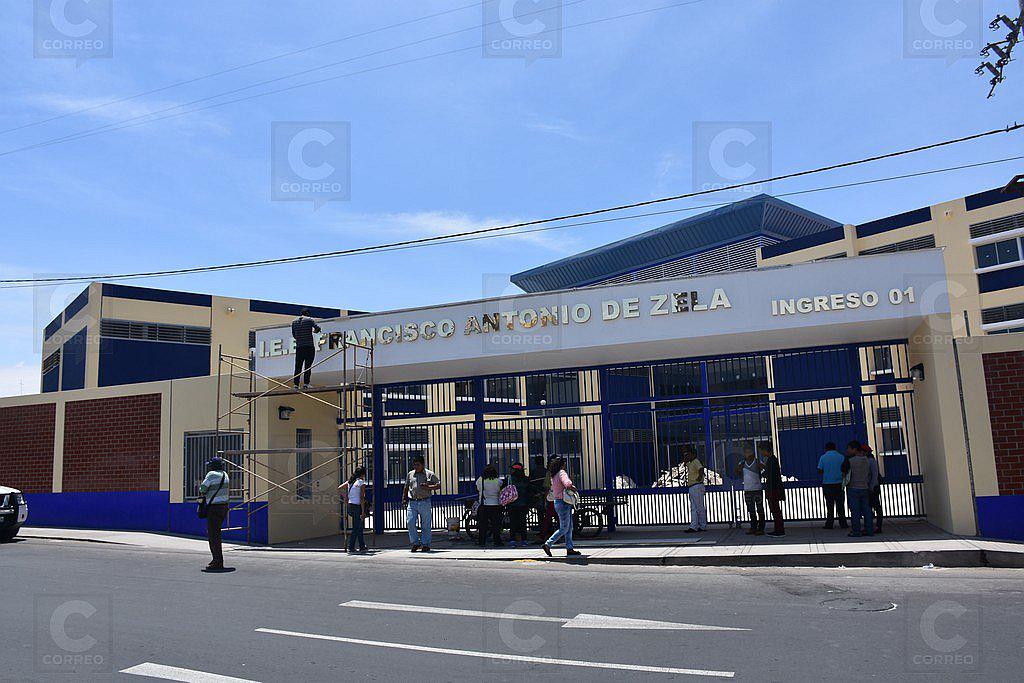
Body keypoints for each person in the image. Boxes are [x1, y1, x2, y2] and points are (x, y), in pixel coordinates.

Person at [542, 457, 582, 557]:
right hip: (564, 503)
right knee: (564, 528)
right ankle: (548, 544)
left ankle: (569, 548)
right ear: (562, 464)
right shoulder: (561, 473)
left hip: (558, 502)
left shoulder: (553, 475)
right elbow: (567, 484)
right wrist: (573, 488)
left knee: (569, 527)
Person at [402, 455, 440, 551]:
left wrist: (428, 487)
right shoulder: (410, 474)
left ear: (423, 464)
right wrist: (404, 498)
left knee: (425, 524)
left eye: (418, 465)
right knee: (410, 522)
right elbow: (406, 486)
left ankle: (425, 544)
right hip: (412, 502)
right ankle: (415, 542)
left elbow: (438, 485)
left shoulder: (429, 474)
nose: (416, 467)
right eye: (414, 465)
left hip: (425, 501)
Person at [199, 457, 230, 570]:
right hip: (224, 507)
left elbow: (202, 488)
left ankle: (217, 561)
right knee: (216, 533)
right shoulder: (225, 474)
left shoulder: (211, 474)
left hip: (214, 508)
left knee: (213, 535)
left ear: (213, 466)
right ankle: (216, 559)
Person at [843, 440, 878, 537]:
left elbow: (844, 472)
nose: (847, 450)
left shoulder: (850, 461)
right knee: (867, 510)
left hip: (853, 488)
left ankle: (856, 531)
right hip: (864, 488)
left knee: (855, 512)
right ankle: (870, 530)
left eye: (849, 448)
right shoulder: (867, 460)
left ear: (854, 449)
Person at [734, 446, 765, 535]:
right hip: (747, 490)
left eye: (749, 452)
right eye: (746, 452)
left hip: (757, 489)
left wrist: (761, 472)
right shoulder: (742, 463)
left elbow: (765, 468)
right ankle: (753, 527)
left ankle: (761, 528)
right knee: (751, 510)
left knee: (760, 509)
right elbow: (736, 471)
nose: (747, 454)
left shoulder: (757, 461)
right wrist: (739, 468)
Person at [817, 442, 847, 529]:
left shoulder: (823, 457)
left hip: (827, 484)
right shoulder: (841, 457)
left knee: (829, 505)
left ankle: (829, 524)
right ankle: (843, 523)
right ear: (835, 448)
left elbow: (819, 470)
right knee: (840, 505)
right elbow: (845, 469)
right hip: (839, 483)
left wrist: (826, 473)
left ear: (826, 448)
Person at [338, 466, 368, 554]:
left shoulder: (350, 482)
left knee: (359, 527)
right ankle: (351, 547)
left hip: (350, 506)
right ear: (363, 474)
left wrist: (345, 497)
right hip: (357, 506)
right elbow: (362, 498)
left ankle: (362, 545)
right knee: (356, 527)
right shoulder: (361, 483)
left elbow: (339, 488)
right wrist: (363, 512)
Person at [291, 308, 322, 390]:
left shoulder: (294, 322)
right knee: (307, 366)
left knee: (298, 366)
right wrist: (315, 331)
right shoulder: (309, 320)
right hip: (309, 346)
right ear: (308, 313)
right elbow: (318, 328)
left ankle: (296, 384)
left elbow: (294, 335)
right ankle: (306, 383)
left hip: (299, 347)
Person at [475, 463, 504, 547]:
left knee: (483, 525)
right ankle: (497, 541)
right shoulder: (497, 480)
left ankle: (482, 541)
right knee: (496, 525)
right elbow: (500, 489)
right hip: (495, 504)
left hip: (484, 505)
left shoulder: (480, 480)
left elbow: (477, 488)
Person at [506, 463, 534, 547]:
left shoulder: (510, 479)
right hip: (523, 504)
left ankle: (512, 540)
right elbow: (529, 491)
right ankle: (524, 540)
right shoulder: (525, 479)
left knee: (513, 523)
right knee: (522, 522)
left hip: (512, 504)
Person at [760, 444, 786, 537]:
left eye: (762, 450)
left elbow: (768, 475)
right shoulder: (772, 460)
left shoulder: (771, 460)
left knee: (775, 509)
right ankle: (778, 529)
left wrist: (762, 469)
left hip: (773, 489)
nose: (761, 453)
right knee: (775, 509)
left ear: (767, 450)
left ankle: (779, 530)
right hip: (774, 488)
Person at [682, 446, 707, 533]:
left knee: (698, 507)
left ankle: (699, 525)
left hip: (696, 486)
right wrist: (686, 457)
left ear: (692, 454)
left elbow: (701, 469)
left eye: (688, 454)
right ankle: (696, 525)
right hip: (693, 487)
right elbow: (684, 463)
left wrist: (699, 477)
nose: (687, 456)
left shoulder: (696, 461)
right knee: (695, 507)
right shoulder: (691, 462)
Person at [863, 445, 885, 534]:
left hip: (873, 487)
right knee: (868, 508)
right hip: (868, 487)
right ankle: (869, 526)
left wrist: (871, 487)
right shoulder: (866, 461)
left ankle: (878, 526)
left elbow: (874, 475)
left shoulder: (871, 461)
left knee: (876, 507)